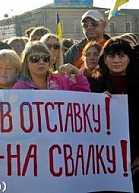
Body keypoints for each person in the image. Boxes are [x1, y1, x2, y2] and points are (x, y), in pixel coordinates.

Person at [89, 38, 139, 191]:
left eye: (121, 56)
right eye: (111, 56)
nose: (116, 60)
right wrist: (95, 101)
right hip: (104, 162)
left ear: (129, 58)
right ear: (104, 59)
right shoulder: (93, 86)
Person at [12, 41, 90, 91]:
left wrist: (77, 73)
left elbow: (84, 98)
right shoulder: (20, 88)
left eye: (45, 58)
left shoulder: (62, 79)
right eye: (35, 58)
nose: (41, 62)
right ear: (26, 63)